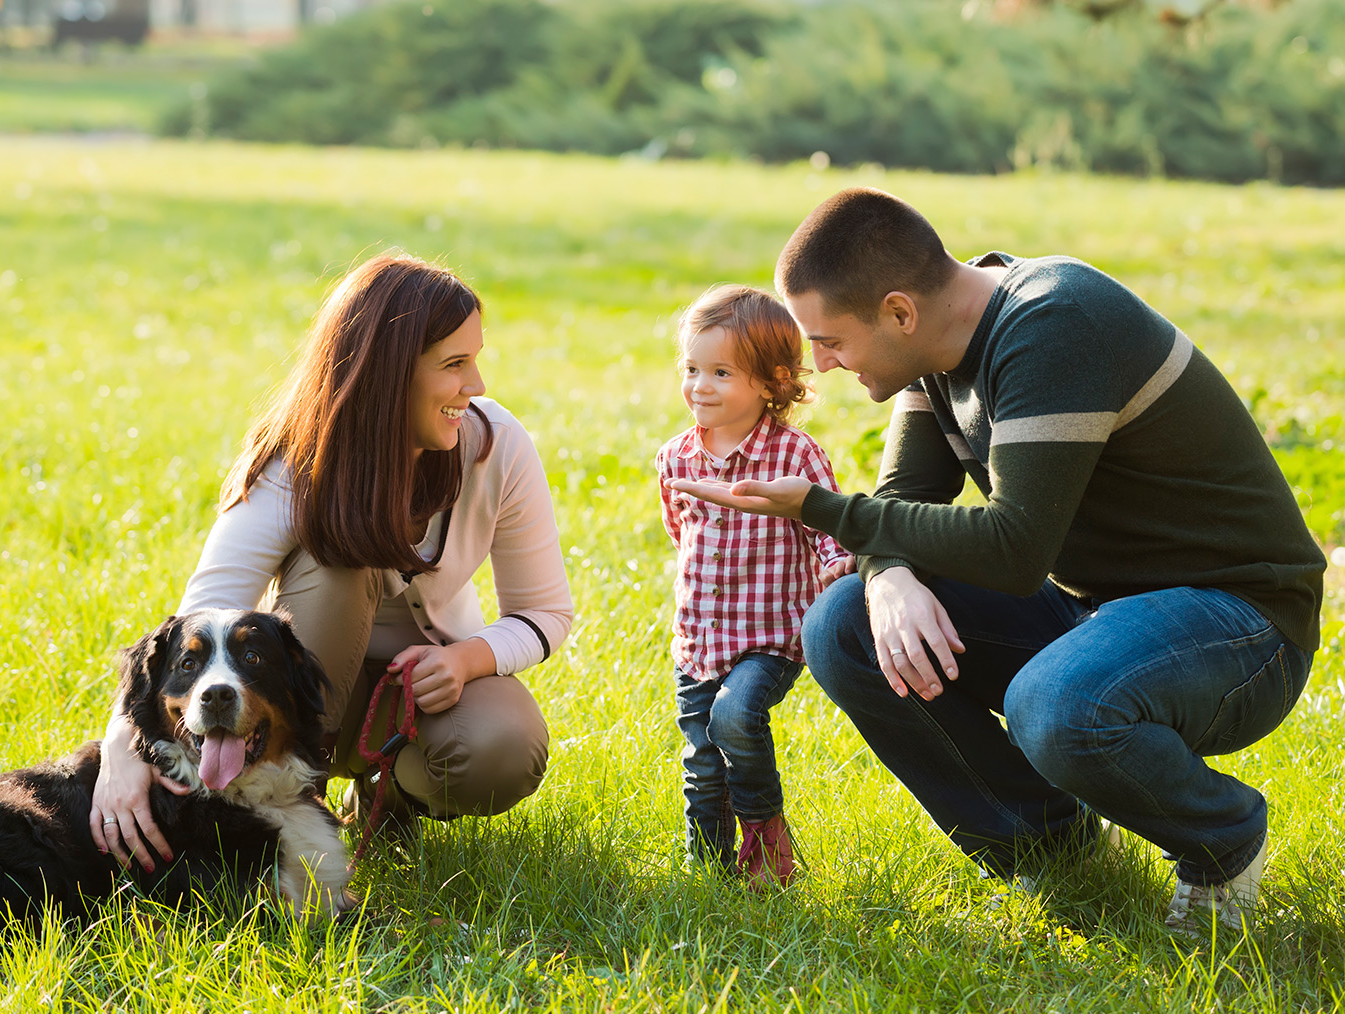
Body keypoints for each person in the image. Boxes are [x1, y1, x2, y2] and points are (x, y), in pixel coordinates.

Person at [670, 188, 1324, 931]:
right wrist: (884, 577)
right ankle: (1053, 849)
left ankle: (1220, 841)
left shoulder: (1055, 321)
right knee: (843, 623)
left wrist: (817, 508)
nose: (817, 364)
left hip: (1238, 624)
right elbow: (901, 498)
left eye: (828, 341)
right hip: (1100, 613)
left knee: (1053, 703)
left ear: (897, 312)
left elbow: (1014, 551)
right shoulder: (932, 351)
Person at [89, 254, 573, 868]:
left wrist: (466, 658)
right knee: (343, 559)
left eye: (475, 359)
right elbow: (196, 618)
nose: (475, 384)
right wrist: (120, 752)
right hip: (293, 703)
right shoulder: (291, 463)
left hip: (422, 698)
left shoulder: (496, 445)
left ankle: (390, 796)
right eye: (454, 365)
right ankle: (296, 811)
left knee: (502, 747)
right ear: (391, 374)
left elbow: (546, 611)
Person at [656, 284, 852, 888]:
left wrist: (835, 563)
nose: (699, 386)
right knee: (702, 762)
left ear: (770, 384)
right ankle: (706, 868)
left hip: (769, 635)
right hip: (698, 639)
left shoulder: (794, 456)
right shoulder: (676, 458)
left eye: (720, 372)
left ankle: (766, 843)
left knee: (737, 714)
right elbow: (677, 529)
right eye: (691, 369)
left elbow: (829, 523)